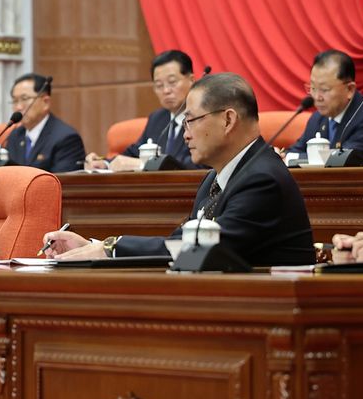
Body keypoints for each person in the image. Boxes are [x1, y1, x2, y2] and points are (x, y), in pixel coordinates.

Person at [43, 73, 314, 267]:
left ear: (228, 120)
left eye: (191, 121)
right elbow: (179, 242)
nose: (185, 135)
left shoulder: (262, 179)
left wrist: (109, 248)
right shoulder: (215, 178)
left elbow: (202, 250)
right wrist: (93, 246)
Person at [85, 50, 201, 171]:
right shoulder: (157, 118)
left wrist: (143, 165)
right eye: (159, 85)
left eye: (172, 82)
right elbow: (134, 153)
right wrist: (105, 163)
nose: (166, 90)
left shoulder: (201, 119)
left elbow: (196, 164)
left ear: (192, 80)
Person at [286, 50, 363, 164]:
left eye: (324, 89)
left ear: (349, 89)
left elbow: (342, 160)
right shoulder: (317, 119)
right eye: (313, 88)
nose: (317, 97)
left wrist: (294, 157)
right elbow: (294, 151)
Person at [0, 72, 85, 174]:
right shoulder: (16, 135)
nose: (18, 107)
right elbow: (4, 166)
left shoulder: (66, 138)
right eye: (15, 101)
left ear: (46, 102)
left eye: (24, 99)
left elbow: (63, 181)